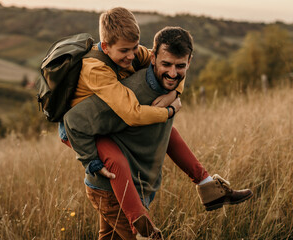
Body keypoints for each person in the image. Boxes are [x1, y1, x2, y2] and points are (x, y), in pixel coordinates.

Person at [61, 9, 253, 239]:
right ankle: (141, 224)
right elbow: (131, 113)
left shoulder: (135, 52)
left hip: (108, 122)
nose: (132, 56)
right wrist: (169, 110)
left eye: (134, 48)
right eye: (124, 51)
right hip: (81, 130)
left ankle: (208, 185)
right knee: (116, 162)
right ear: (106, 45)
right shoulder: (97, 70)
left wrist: (175, 94)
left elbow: (169, 65)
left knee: (169, 134)